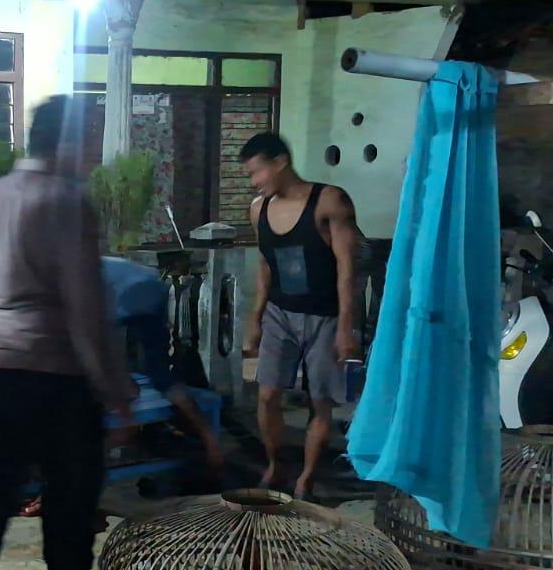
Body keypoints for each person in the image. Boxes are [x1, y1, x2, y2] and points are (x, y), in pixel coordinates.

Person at [0, 94, 134, 570]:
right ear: (68, 143)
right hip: (56, 380)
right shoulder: (67, 203)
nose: (94, 155)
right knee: (70, 513)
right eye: (90, 141)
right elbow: (86, 307)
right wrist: (116, 390)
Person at [19, 256, 225, 519]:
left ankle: (64, 482)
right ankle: (209, 443)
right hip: (144, 287)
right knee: (156, 378)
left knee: (100, 397)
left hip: (132, 295)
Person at [239, 132, 361, 501]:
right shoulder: (258, 210)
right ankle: (275, 464)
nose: (254, 182)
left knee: (319, 402)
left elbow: (347, 269)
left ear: (280, 163)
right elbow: (265, 266)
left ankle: (306, 478)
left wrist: (346, 327)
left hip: (324, 316)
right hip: (280, 314)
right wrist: (255, 320)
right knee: (267, 395)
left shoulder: (329, 201)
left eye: (257, 172)